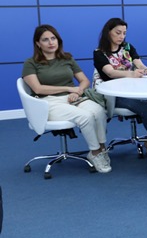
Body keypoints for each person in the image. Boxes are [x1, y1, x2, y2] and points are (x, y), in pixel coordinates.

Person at [22, 25, 112, 173]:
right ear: (38, 43)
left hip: (73, 97)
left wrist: (78, 91)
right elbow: (38, 89)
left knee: (99, 111)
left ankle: (102, 148)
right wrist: (69, 89)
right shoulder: (30, 63)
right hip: (49, 101)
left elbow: (84, 81)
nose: (51, 42)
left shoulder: (67, 58)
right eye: (45, 40)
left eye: (53, 38)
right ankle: (95, 152)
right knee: (85, 117)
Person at [94, 17, 147, 153]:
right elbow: (110, 73)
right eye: (118, 32)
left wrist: (146, 70)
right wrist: (131, 74)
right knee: (146, 108)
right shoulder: (99, 53)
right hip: (112, 94)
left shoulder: (128, 47)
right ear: (108, 32)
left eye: (124, 33)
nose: (122, 36)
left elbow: (139, 63)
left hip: (132, 90)